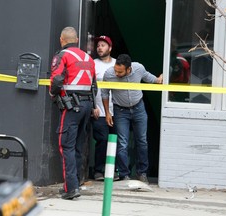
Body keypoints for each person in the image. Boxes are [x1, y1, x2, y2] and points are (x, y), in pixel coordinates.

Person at [49, 27, 97, 200]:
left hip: (71, 107)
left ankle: (71, 188)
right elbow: (94, 86)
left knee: (66, 146)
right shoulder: (88, 58)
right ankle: (74, 183)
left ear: (62, 39)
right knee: (77, 146)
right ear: (76, 39)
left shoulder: (62, 56)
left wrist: (53, 93)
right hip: (86, 105)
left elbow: (57, 79)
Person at [101, 54, 163, 183]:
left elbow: (149, 78)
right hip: (120, 111)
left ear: (129, 69)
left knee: (142, 141)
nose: (116, 73)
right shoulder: (109, 74)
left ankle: (142, 173)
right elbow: (105, 93)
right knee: (122, 143)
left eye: (120, 71)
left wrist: (159, 79)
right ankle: (124, 174)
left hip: (138, 108)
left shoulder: (138, 68)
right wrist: (107, 113)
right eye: (116, 70)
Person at [91, 35, 118, 181]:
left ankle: (115, 171)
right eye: (98, 45)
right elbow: (89, 86)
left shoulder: (117, 64)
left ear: (110, 48)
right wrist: (92, 107)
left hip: (117, 110)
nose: (99, 48)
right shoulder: (92, 64)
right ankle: (99, 171)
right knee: (102, 141)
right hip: (99, 110)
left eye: (103, 45)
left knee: (117, 141)